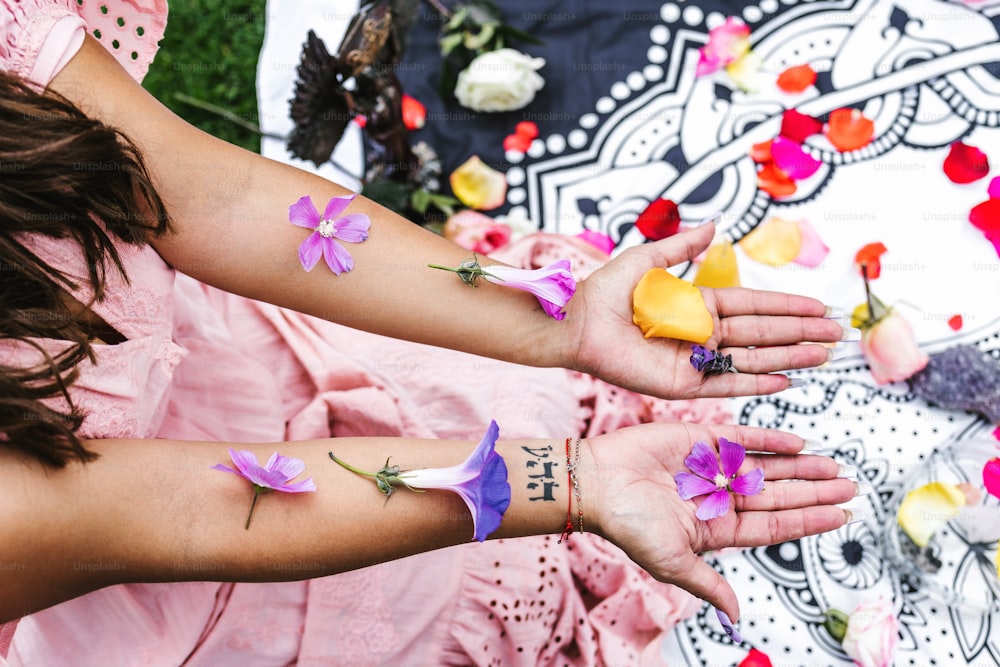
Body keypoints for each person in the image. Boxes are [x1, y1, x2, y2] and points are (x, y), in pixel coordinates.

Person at [0, 1, 859, 664]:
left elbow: (212, 200)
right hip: (212, 568)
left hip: (233, 366)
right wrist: (572, 480)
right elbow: (194, 510)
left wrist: (556, 321)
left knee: (479, 389)